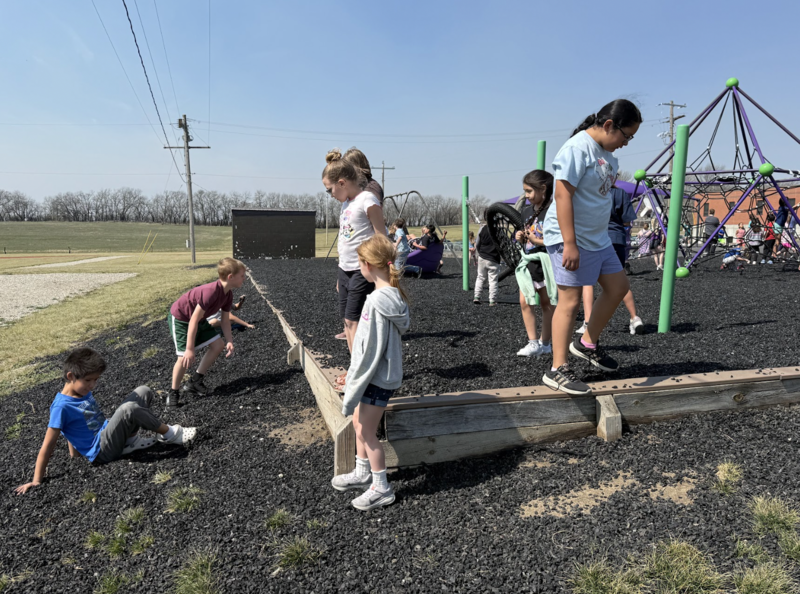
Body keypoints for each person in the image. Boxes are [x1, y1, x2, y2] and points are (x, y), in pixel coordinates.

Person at [541, 98, 642, 396]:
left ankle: (586, 342)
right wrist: (569, 243)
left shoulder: (608, 156)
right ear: (609, 125)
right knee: (570, 301)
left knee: (618, 287)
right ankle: (557, 369)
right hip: (569, 237)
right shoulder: (577, 148)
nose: (626, 143)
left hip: (598, 238)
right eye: (626, 136)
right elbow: (562, 196)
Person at [14, 348, 196, 495]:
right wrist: (36, 481)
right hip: (101, 451)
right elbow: (48, 445)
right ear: (70, 376)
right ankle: (171, 434)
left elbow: (74, 426)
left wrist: (74, 455)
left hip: (107, 434)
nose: (92, 385)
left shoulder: (82, 391)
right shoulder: (61, 407)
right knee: (128, 409)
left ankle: (129, 441)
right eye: (88, 380)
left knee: (143, 391)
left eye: (96, 380)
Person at [331, 235, 410, 511]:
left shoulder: (376, 301)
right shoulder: (392, 295)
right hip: (379, 374)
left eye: (358, 263)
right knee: (358, 423)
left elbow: (367, 349)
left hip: (376, 377)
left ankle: (381, 487)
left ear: (367, 265)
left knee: (366, 432)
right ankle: (362, 471)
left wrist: (354, 378)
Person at [323, 148, 385, 387]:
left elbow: (380, 236)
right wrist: (340, 275)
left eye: (330, 189)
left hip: (362, 269)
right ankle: (355, 368)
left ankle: (361, 372)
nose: (330, 195)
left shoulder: (367, 200)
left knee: (355, 321)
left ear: (342, 182)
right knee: (348, 323)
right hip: (345, 270)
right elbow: (345, 240)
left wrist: (380, 274)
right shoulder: (346, 204)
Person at [168, 257, 246, 408]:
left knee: (218, 345)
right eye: (242, 276)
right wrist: (189, 349)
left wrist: (230, 341)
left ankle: (195, 381)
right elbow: (193, 320)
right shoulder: (211, 292)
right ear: (230, 277)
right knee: (183, 357)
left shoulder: (228, 294)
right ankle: (173, 393)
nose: (244, 278)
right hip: (181, 318)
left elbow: (225, 320)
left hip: (198, 319)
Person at [514, 170, 555, 357]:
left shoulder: (554, 210)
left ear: (543, 189)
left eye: (529, 191)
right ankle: (532, 342)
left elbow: (558, 240)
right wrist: (520, 237)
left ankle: (545, 342)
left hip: (547, 263)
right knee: (525, 301)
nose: (527, 196)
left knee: (547, 303)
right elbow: (526, 237)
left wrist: (536, 240)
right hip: (529, 261)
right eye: (525, 191)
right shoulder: (526, 211)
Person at [607, 185, 645, 334]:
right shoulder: (619, 193)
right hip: (616, 238)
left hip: (595, 239)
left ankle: (588, 321)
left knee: (587, 283)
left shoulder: (590, 190)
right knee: (620, 281)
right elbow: (627, 221)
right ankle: (634, 317)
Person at [473, 209, 502, 306]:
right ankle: (492, 300)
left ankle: (477, 297)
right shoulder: (499, 230)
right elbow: (502, 245)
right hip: (493, 258)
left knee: (480, 277)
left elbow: (477, 243)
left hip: (482, 256)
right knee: (493, 280)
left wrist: (480, 253)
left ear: (485, 218)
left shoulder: (482, 229)